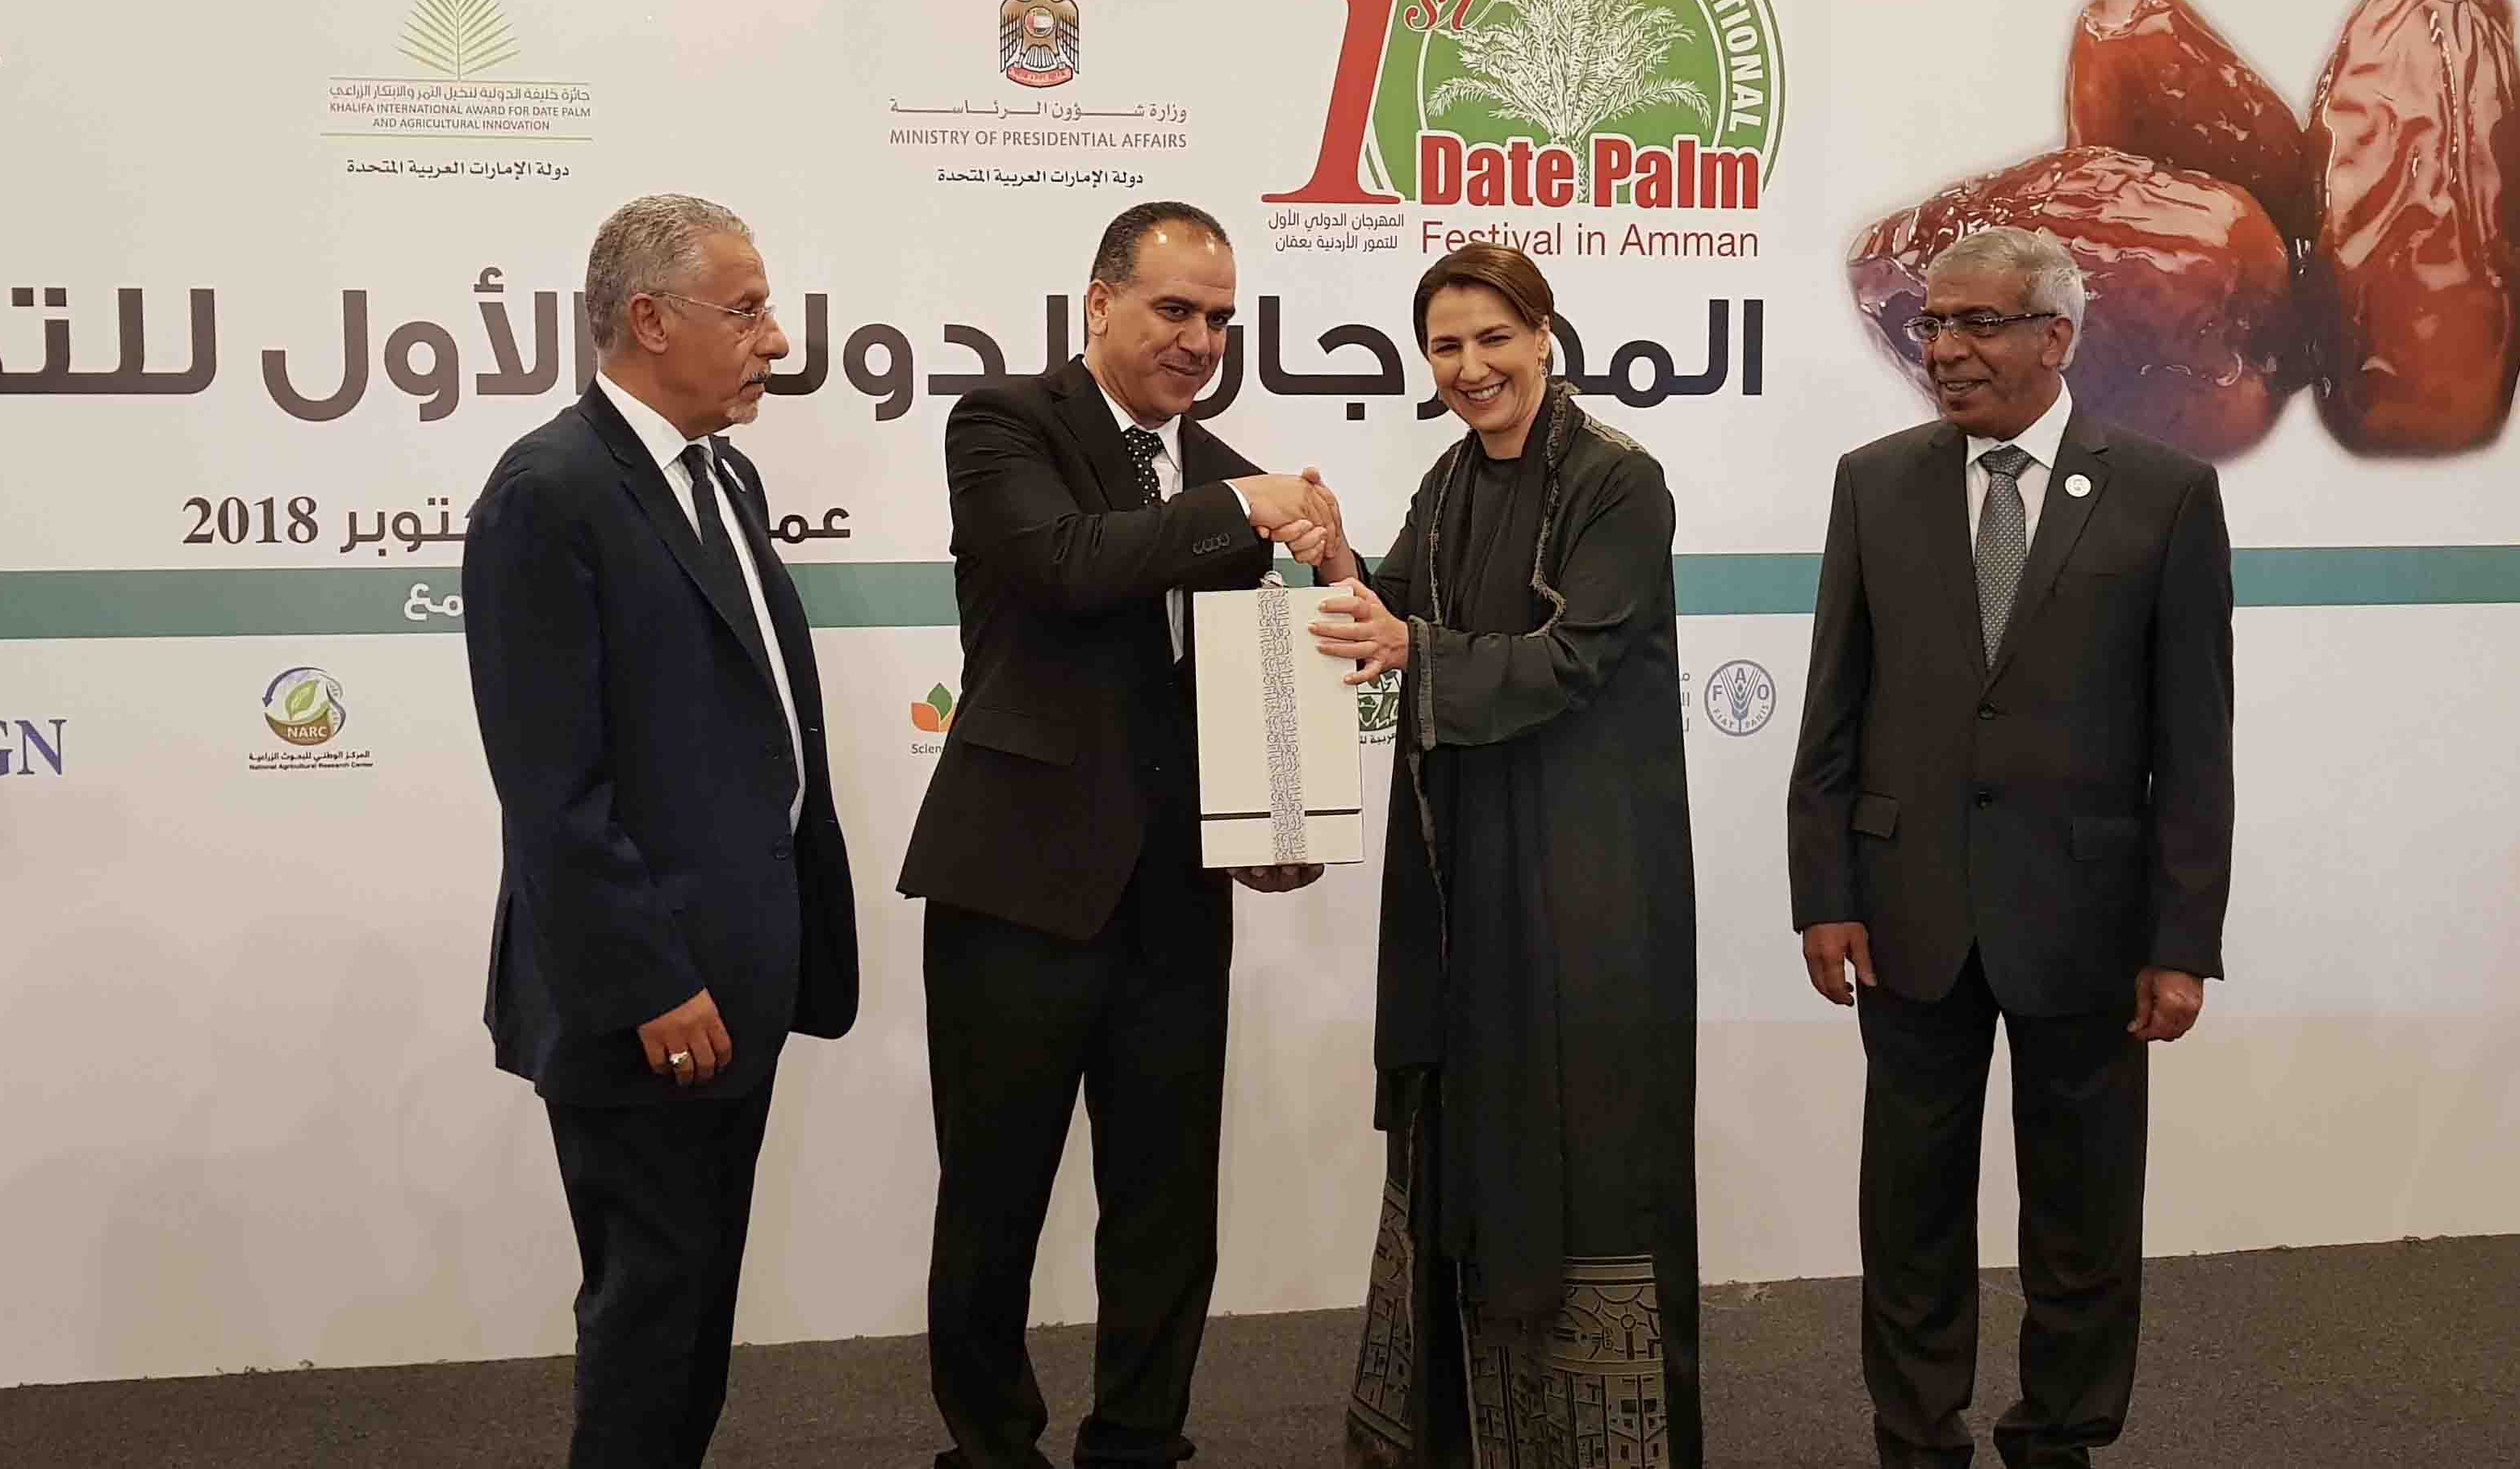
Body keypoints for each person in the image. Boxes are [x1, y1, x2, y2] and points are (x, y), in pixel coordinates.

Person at [897, 200, 1348, 1469]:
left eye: (1220, 319)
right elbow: (1066, 562)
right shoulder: (1005, 423)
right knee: (993, 1201)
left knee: (1166, 1205)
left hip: (1174, 898)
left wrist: (1280, 806)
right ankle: (991, 1449)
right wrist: (1246, 506)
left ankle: (1141, 1443)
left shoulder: (1232, 478)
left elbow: (1249, 673)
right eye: (1174, 309)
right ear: (1099, 303)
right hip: (1014, 886)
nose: (1201, 340)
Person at [1784, 226, 2234, 1468]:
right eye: (1933, 324)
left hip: (2090, 921)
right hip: (1905, 909)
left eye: (1978, 324)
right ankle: (1916, 1437)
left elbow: (2196, 742)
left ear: (2057, 336)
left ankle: (2060, 1439)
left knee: (2083, 1213)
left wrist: (2181, 938)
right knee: (1909, 1210)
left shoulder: (2165, 495)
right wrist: (1823, 891)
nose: (1947, 349)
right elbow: (1834, 706)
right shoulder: (1874, 483)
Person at [462, 194, 859, 1468]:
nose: (775, 339)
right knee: (647, 1323)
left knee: (693, 1319)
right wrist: (650, 981)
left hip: (735, 979)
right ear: (647, 319)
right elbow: (551, 791)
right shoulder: (548, 492)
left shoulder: (722, 473)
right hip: (646, 999)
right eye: (743, 312)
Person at [1306, 242, 1702, 1468]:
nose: (1470, 367)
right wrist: (1331, 564)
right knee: (1462, 1125)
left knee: (1587, 1138)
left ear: (1544, 336)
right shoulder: (1449, 481)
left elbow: (1577, 659)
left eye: (1493, 338)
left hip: (1587, 878)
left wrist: (1413, 647)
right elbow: (1392, 612)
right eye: (1446, 346)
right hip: (1463, 872)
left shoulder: (1620, 482)